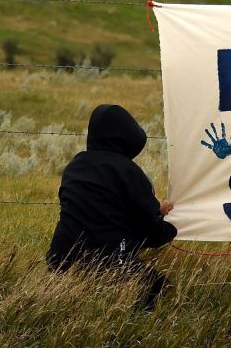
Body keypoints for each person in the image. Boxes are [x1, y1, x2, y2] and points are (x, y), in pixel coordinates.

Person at [47, 104, 177, 312]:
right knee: (159, 287)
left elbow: (98, 212)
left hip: (61, 258)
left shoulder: (75, 165)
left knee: (73, 305)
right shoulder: (128, 171)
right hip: (108, 261)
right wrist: (168, 226)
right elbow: (151, 234)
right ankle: (137, 326)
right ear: (129, 137)